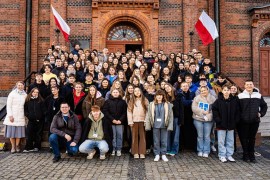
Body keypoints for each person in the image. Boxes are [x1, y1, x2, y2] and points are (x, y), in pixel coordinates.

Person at [238, 80, 268, 163]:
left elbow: (264, 106)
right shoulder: (240, 96)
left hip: (254, 121)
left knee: (252, 138)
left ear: (253, 85)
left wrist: (261, 114)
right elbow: (237, 109)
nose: (249, 86)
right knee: (244, 138)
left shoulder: (258, 95)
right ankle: (245, 155)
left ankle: (252, 155)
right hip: (243, 121)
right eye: (247, 85)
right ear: (244, 86)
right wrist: (240, 117)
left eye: (250, 84)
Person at [212, 85, 240, 163]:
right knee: (221, 141)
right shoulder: (218, 101)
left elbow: (238, 111)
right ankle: (222, 155)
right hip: (221, 125)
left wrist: (235, 121)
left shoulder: (234, 100)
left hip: (231, 124)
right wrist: (218, 120)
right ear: (222, 91)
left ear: (230, 91)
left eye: (228, 90)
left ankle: (229, 155)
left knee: (230, 140)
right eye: (225, 90)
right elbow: (214, 110)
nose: (226, 91)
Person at [145, 90, 174, 162]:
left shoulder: (168, 104)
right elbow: (148, 115)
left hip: (164, 125)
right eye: (158, 95)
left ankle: (163, 154)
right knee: (156, 141)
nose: (159, 96)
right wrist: (148, 125)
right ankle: (157, 154)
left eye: (161, 95)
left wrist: (170, 126)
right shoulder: (151, 104)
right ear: (155, 96)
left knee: (164, 140)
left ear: (163, 96)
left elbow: (171, 116)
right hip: (155, 125)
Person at [192, 86, 216, 158]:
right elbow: (194, 108)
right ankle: (200, 150)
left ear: (207, 90)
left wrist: (208, 116)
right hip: (198, 119)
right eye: (201, 91)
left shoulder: (213, 98)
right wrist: (203, 112)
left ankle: (206, 151)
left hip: (208, 120)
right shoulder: (196, 98)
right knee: (200, 136)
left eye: (204, 90)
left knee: (207, 136)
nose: (203, 92)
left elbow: (214, 109)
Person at [4, 81, 27, 153]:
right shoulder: (12, 94)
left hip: (20, 115)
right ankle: (13, 146)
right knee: (12, 133)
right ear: (16, 86)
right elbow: (9, 105)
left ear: (23, 86)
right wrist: (10, 115)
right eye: (19, 85)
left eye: (21, 85)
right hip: (12, 115)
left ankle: (17, 146)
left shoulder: (25, 94)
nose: (20, 87)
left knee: (18, 133)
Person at [103, 89, 127, 156]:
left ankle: (119, 149)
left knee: (120, 136)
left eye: (117, 92)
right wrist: (112, 119)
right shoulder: (107, 101)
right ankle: (113, 148)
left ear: (119, 93)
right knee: (113, 136)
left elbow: (125, 112)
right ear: (111, 93)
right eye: (114, 92)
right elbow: (105, 111)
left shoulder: (123, 102)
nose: (115, 93)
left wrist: (120, 120)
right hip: (111, 122)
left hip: (120, 122)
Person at [127, 87, 149, 159]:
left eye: (138, 91)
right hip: (134, 121)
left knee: (142, 137)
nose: (137, 92)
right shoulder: (131, 100)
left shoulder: (144, 100)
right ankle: (135, 152)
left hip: (142, 121)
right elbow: (129, 111)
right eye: (135, 91)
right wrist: (130, 121)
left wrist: (146, 120)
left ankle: (142, 152)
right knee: (134, 137)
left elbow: (148, 111)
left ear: (141, 92)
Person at [23, 88, 46, 152]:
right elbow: (25, 110)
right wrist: (28, 116)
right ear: (31, 93)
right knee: (29, 133)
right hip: (31, 120)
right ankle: (29, 147)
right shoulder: (28, 100)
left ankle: (37, 146)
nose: (35, 93)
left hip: (40, 120)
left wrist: (41, 117)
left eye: (37, 92)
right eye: (34, 92)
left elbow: (44, 110)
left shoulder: (41, 100)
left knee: (38, 134)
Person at [165, 84, 184, 156]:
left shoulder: (178, 96)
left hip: (176, 118)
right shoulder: (165, 97)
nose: (167, 88)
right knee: (168, 134)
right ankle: (168, 149)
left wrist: (181, 120)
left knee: (176, 135)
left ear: (171, 87)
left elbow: (181, 109)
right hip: (168, 118)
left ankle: (174, 150)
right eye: (166, 88)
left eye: (168, 87)